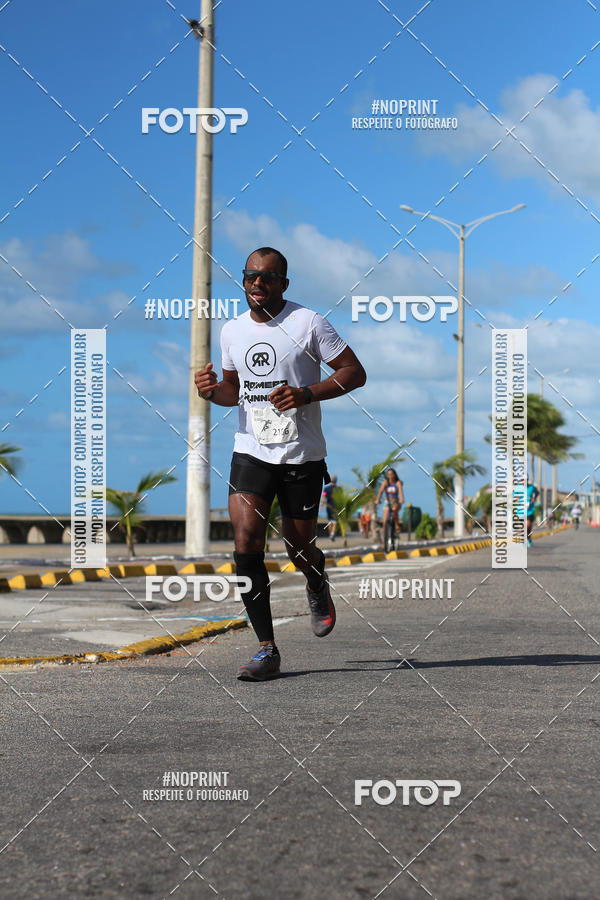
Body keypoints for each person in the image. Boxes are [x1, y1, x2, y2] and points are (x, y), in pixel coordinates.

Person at [194, 247, 366, 681]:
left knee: (297, 546)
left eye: (267, 277)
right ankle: (266, 649)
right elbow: (235, 390)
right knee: (246, 541)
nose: (257, 283)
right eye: (250, 275)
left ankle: (315, 581)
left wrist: (305, 394)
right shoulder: (232, 331)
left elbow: (353, 372)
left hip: (301, 454)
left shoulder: (308, 323)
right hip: (251, 450)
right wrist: (211, 390)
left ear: (283, 284)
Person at [375, 468, 404, 549]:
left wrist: (401, 500)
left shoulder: (397, 483)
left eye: (391, 474)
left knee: (395, 510)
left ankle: (397, 524)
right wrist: (377, 499)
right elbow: (380, 491)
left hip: (396, 502)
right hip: (387, 503)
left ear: (394, 475)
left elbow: (401, 494)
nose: (390, 476)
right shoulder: (385, 482)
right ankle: (385, 542)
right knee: (384, 522)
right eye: (388, 474)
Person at [321, 474, 338, 541]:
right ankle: (332, 534)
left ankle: (331, 534)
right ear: (336, 481)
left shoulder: (326, 488)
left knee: (330, 521)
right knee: (334, 522)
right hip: (335, 507)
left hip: (328, 507)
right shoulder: (339, 489)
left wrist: (322, 505)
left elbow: (323, 497)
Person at [526, 481, 539, 547]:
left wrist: (534, 498)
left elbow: (537, 492)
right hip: (520, 510)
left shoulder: (531, 487)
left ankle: (528, 538)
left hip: (529, 510)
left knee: (528, 525)